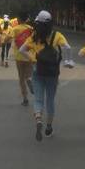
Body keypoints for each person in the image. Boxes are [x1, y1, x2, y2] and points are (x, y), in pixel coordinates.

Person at [19, 10, 72, 141]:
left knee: (38, 99)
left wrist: (33, 58)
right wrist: (68, 61)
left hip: (38, 71)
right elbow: (67, 47)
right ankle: (48, 127)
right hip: (52, 73)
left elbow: (22, 50)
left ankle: (38, 120)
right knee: (50, 100)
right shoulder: (57, 35)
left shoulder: (34, 36)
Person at [12, 12, 34, 106]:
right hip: (29, 55)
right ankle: (29, 79)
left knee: (21, 79)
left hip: (19, 56)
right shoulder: (31, 29)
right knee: (28, 75)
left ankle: (25, 99)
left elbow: (8, 38)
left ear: (19, 19)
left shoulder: (15, 29)